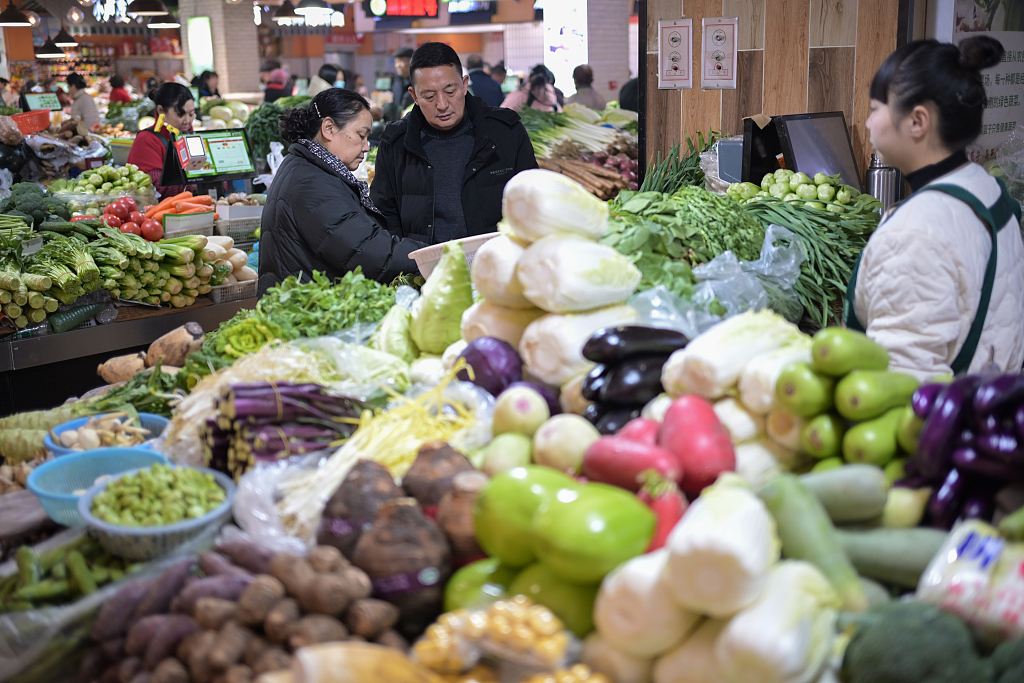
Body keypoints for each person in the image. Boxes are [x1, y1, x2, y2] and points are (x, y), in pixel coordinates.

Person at [846, 36, 1024, 379]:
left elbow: (901, 382)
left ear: (918, 121)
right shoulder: (986, 187)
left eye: (874, 109)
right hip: (985, 407)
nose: (868, 123)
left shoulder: (914, 232)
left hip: (939, 425)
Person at [258, 88, 423, 297]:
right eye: (361, 135)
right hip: (307, 312)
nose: (366, 147)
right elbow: (367, 250)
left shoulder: (307, 167)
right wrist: (431, 253)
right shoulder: (311, 182)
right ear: (328, 128)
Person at [370, 42, 537, 245]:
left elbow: (531, 202)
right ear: (414, 96)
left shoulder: (505, 132)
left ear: (465, 85)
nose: (442, 105)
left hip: (497, 264)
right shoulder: (396, 143)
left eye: (450, 91)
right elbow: (385, 215)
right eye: (429, 96)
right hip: (425, 271)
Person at [126, 83, 196, 199]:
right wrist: (195, 184)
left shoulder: (189, 135)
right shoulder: (146, 140)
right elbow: (157, 187)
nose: (188, 121)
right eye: (180, 114)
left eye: (191, 114)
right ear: (161, 111)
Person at [384, 47, 414, 121]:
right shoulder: (396, 81)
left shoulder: (418, 81)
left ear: (410, 62)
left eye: (401, 61)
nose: (397, 65)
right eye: (396, 62)